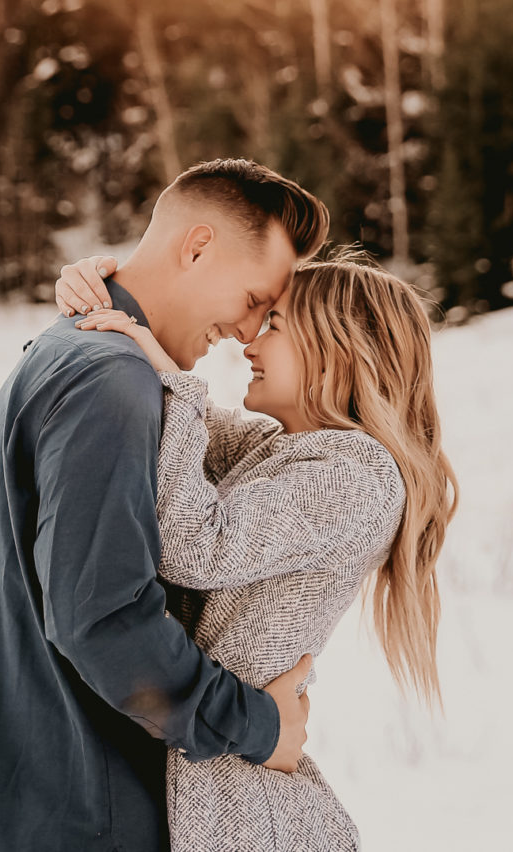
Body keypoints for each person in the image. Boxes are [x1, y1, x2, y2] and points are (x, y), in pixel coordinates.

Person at [0, 158, 330, 852]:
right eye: (253, 299)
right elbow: (104, 620)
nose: (246, 332)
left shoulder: (74, 348)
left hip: (32, 808)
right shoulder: (109, 381)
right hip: (78, 817)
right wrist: (259, 726)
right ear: (197, 247)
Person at [56, 249, 460, 852]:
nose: (249, 345)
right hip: (220, 756)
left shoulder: (359, 478)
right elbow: (193, 427)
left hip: (240, 798)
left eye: (275, 326)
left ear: (340, 352)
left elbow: (196, 545)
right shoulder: (288, 449)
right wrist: (102, 293)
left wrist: (168, 379)